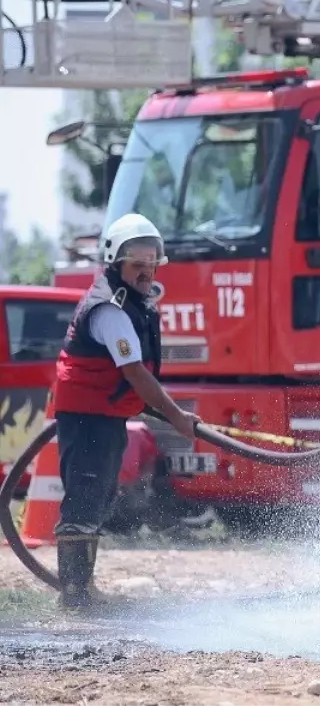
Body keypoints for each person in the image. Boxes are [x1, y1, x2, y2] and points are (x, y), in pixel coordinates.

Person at [50, 213, 201, 610]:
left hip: (105, 413)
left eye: (151, 262)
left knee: (98, 494)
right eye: (137, 264)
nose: (145, 271)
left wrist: (173, 414)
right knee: (84, 497)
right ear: (116, 264)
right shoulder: (112, 310)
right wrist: (176, 416)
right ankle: (75, 596)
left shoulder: (135, 303)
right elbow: (133, 372)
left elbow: (136, 378)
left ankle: (83, 589)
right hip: (86, 417)